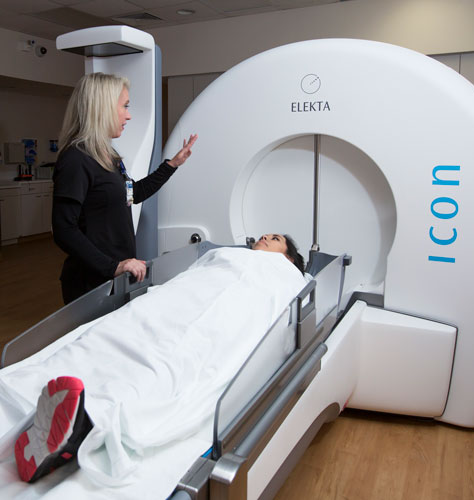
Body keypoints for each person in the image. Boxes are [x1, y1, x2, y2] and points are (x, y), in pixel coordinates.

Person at [11, 235, 306, 485]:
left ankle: (84, 423)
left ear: (289, 259)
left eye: (276, 238)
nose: (266, 237)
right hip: (176, 302)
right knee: (123, 328)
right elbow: (192, 276)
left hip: (223, 316)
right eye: (266, 234)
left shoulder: (285, 276)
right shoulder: (226, 254)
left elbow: (274, 309)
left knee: (172, 359)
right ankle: (61, 403)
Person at [52, 72, 198, 304]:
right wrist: (114, 266)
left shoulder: (109, 158)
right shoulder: (75, 160)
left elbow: (132, 195)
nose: (128, 116)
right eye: (124, 106)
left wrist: (172, 165)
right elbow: (64, 229)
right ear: (102, 108)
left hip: (116, 275)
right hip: (91, 282)